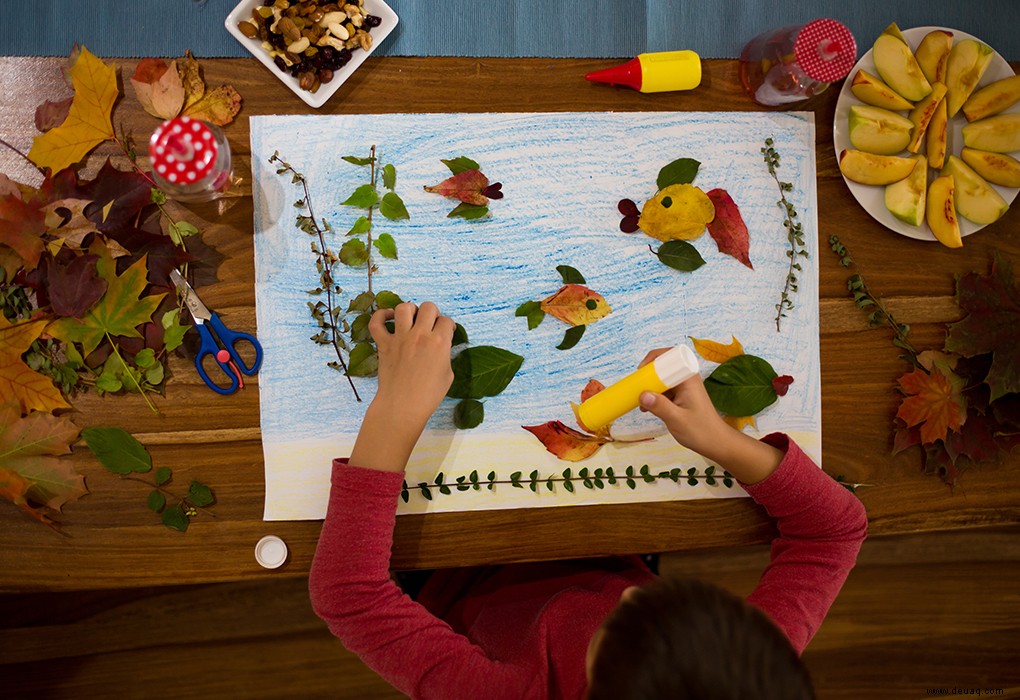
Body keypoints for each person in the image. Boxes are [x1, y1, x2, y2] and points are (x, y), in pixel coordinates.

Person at [309, 301, 868, 699]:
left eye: (617, 621)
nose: (626, 598)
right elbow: (833, 532)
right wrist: (720, 440)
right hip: (608, 545)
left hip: (450, 577)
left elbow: (350, 595)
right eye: (662, 598)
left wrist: (397, 409)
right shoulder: (742, 672)